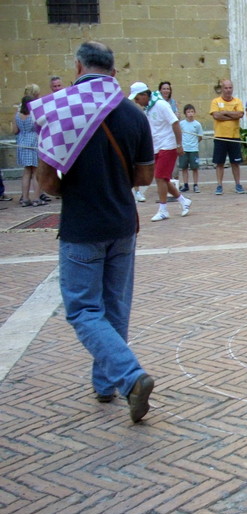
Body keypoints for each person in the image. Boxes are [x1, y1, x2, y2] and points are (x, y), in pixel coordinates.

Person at [34, 41, 156, 423]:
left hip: (82, 225)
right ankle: (106, 385)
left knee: (84, 310)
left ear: (78, 66)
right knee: (114, 308)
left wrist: (75, 187)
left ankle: (130, 376)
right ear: (114, 71)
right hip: (122, 222)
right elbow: (145, 176)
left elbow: (46, 181)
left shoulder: (59, 108)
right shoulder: (134, 114)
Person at [130, 82, 191, 221]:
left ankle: (163, 209)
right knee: (163, 179)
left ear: (144, 95)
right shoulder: (148, 108)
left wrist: (179, 144)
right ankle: (183, 201)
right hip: (156, 146)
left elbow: (175, 122)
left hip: (168, 146)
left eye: (137, 98)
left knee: (159, 177)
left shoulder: (161, 105)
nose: (136, 101)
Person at [209, 79, 245, 195]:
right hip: (220, 136)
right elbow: (216, 115)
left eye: (230, 88)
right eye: (226, 88)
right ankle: (219, 185)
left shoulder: (237, 101)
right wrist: (231, 115)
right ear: (222, 89)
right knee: (219, 163)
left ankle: (238, 184)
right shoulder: (215, 101)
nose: (228, 90)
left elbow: (239, 114)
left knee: (235, 163)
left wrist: (224, 112)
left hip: (234, 136)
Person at [14, 95, 40, 206]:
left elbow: (15, 130)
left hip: (22, 142)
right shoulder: (34, 115)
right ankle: (37, 198)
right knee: (35, 172)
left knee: (26, 172)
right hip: (33, 142)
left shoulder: (17, 116)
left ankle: (25, 198)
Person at [178, 104, 203, 193]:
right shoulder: (181, 124)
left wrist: (194, 144)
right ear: (185, 113)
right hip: (184, 149)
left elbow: (200, 137)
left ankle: (195, 184)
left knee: (194, 168)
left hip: (194, 149)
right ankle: (185, 184)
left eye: (192, 111)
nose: (190, 114)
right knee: (184, 167)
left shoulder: (197, 124)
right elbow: (179, 135)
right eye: (188, 112)